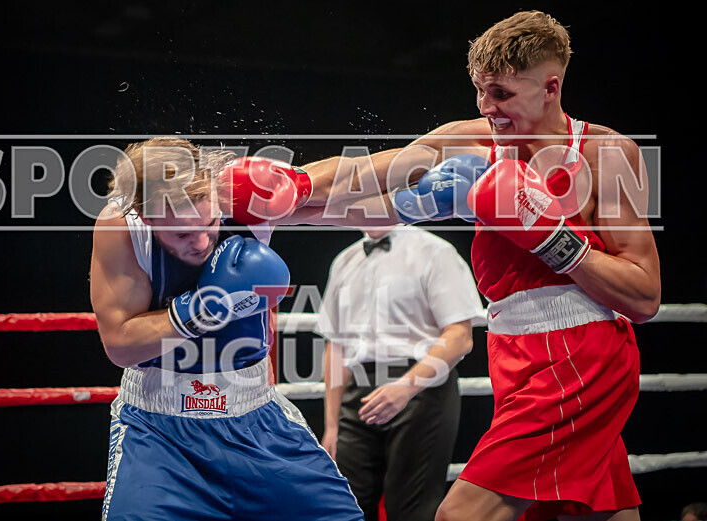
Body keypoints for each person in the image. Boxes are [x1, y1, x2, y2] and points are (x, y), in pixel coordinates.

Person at [244, 10, 661, 521]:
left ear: (551, 87)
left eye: (502, 93)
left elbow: (644, 295)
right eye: (481, 92)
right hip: (514, 351)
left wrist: (553, 239)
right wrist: (290, 189)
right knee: (592, 511)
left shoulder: (604, 154)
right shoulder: (472, 139)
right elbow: (363, 175)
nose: (488, 107)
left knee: (460, 515)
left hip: (579, 354)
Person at [89, 137, 364, 521]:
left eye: (210, 223)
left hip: (256, 420)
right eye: (182, 234)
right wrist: (204, 307)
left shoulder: (244, 198)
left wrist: (433, 184)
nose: (202, 242)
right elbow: (120, 345)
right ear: (146, 216)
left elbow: (352, 183)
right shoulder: (121, 225)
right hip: (159, 434)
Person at [316, 224, 484, 521]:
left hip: (423, 389)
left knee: (411, 509)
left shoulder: (435, 251)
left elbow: (460, 336)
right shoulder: (344, 260)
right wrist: (331, 426)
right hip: (358, 391)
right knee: (342, 505)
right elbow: (336, 345)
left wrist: (406, 387)